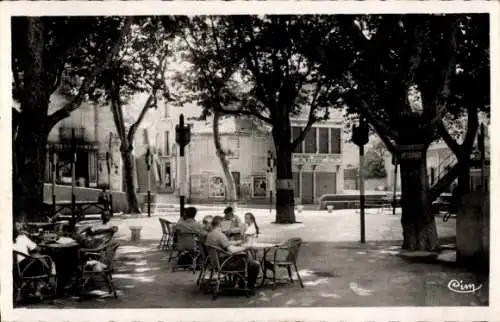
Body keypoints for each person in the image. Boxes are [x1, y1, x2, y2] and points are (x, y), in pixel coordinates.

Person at [205, 216, 260, 291]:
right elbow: (232, 250)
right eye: (224, 224)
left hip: (215, 262)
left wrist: (237, 243)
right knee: (254, 264)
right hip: (224, 263)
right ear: (219, 224)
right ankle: (249, 287)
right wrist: (246, 247)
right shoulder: (220, 235)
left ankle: (240, 283)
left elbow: (225, 244)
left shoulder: (211, 234)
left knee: (243, 257)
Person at [13, 226, 56, 297]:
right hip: (26, 269)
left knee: (34, 258)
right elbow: (37, 248)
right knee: (39, 256)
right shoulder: (22, 237)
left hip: (14, 269)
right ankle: (45, 283)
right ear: (18, 231)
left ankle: (35, 287)